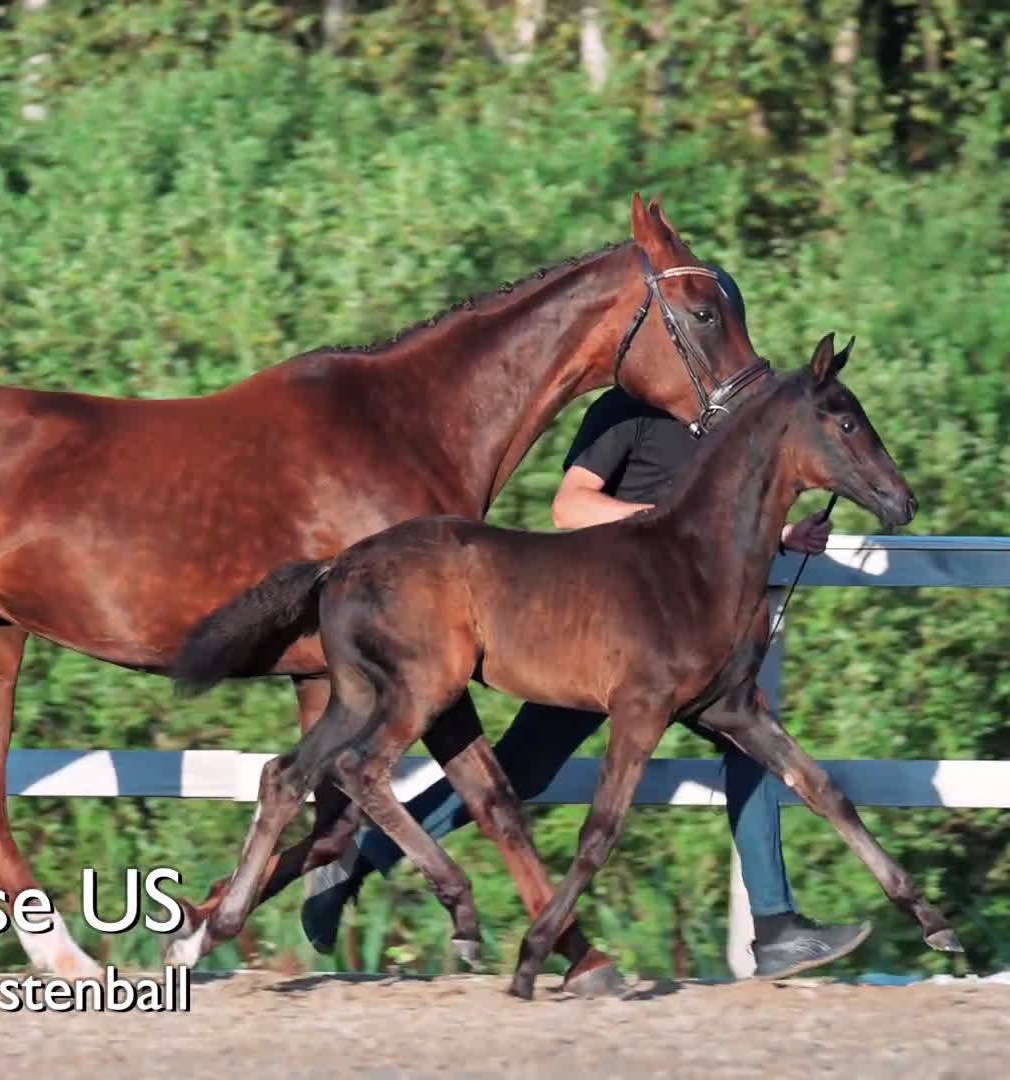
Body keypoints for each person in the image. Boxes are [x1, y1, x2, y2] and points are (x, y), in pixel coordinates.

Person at [297, 265, 873, 979]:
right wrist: (663, 527)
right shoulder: (626, 413)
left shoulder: (739, 430)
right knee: (523, 768)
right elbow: (570, 507)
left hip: (692, 645)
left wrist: (783, 536)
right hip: (596, 632)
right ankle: (364, 860)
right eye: (711, 333)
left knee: (749, 743)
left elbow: (734, 532)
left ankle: (776, 924)